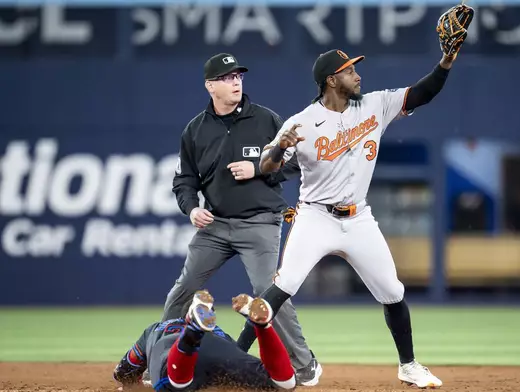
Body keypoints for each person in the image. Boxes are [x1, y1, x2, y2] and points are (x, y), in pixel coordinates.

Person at [252, 4, 474, 387]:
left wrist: (447, 60)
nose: (358, 75)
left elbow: (422, 93)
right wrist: (276, 150)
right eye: (350, 71)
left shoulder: (374, 104)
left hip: (358, 219)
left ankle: (408, 366)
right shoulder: (301, 122)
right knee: (283, 286)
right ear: (330, 81)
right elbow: (266, 169)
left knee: (392, 291)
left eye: (355, 68)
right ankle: (241, 358)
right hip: (316, 217)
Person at [164, 52, 320, 385]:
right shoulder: (195, 131)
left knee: (268, 291)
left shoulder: (265, 120)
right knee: (184, 289)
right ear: (210, 86)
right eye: (226, 77)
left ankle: (305, 364)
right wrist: (191, 208)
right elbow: (184, 181)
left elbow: (298, 162)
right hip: (216, 226)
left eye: (238, 76)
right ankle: (162, 359)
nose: (235, 82)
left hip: (260, 222)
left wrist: (260, 168)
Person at [113, 290, 296, 391]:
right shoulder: (219, 332)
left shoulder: (155, 329)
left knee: (177, 386)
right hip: (217, 346)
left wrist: (135, 385)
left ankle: (193, 332)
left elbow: (124, 372)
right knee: (283, 384)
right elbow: (236, 360)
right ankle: (263, 327)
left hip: (172, 348)